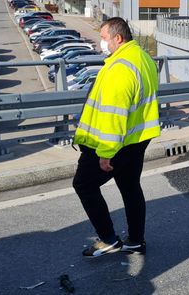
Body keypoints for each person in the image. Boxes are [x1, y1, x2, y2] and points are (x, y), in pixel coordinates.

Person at [73, 17, 160, 258]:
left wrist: (106, 153)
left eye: (104, 38)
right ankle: (136, 240)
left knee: (84, 184)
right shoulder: (142, 58)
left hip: (114, 143)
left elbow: (114, 114)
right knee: (130, 186)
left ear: (118, 38)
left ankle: (109, 239)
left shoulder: (120, 68)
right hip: (138, 137)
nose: (101, 43)